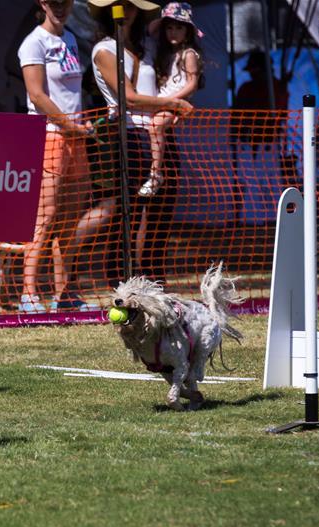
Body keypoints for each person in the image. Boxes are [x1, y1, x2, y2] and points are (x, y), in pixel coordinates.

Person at [85, 0, 189, 279]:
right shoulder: (105, 49)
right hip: (129, 135)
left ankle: (155, 275)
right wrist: (173, 104)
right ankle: (122, 275)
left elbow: (169, 31)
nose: (126, 9)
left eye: (132, 4)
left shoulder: (148, 45)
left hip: (159, 134)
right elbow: (128, 97)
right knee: (131, 212)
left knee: (162, 207)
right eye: (120, 5)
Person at [17, 0, 94, 313]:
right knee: (44, 219)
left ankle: (65, 293)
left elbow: (72, 94)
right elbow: (37, 95)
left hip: (75, 138)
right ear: (43, 3)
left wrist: (81, 121)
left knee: (70, 221)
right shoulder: (33, 43)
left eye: (65, 2)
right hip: (50, 137)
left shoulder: (71, 39)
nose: (60, 7)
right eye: (54, 2)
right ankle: (28, 293)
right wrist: (67, 124)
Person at [140, 1, 203, 198]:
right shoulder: (166, 54)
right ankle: (154, 168)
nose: (173, 32)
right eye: (169, 27)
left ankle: (155, 174)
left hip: (174, 101)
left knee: (155, 126)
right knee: (152, 128)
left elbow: (192, 84)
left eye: (178, 27)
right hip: (164, 100)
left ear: (188, 31)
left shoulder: (189, 54)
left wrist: (172, 100)